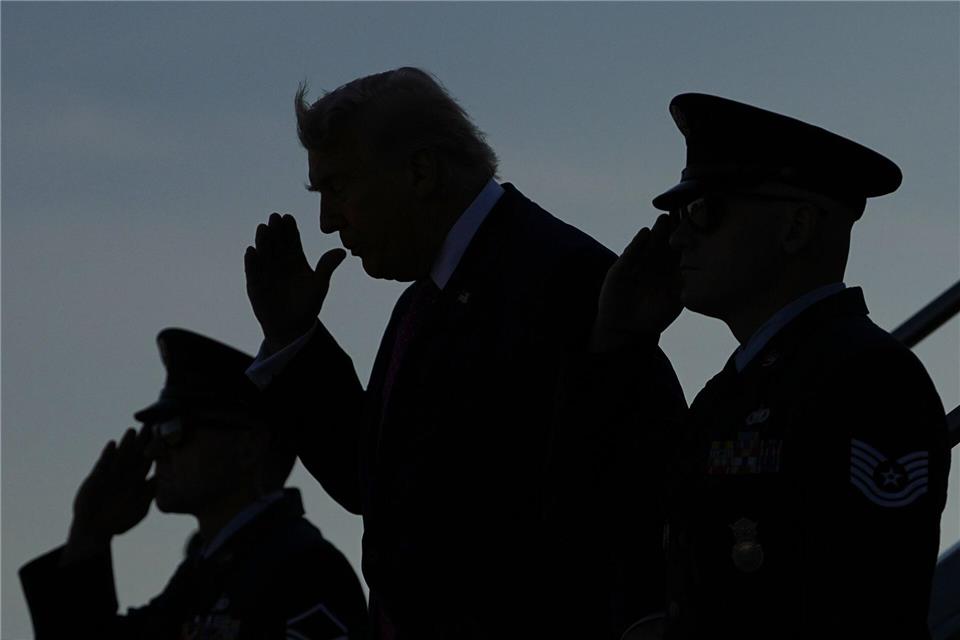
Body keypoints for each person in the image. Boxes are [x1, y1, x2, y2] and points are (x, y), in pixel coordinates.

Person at [242, 66, 653, 638]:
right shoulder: (424, 302)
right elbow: (379, 492)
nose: (327, 221)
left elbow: (617, 512)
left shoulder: (564, 280)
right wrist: (294, 339)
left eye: (338, 187)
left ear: (420, 172)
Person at [597, 93, 951, 639]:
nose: (679, 236)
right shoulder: (739, 388)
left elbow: (867, 610)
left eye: (703, 210)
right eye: (677, 216)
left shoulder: (872, 382)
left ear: (795, 228)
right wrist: (622, 344)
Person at [19, 328, 368, 640]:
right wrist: (90, 534)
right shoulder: (199, 578)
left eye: (173, 430)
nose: (154, 450)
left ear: (249, 446)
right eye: (155, 432)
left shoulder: (305, 572)